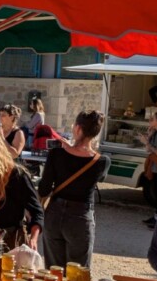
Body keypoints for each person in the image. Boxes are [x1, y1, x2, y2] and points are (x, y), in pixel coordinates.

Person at [38, 110, 109, 268]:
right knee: (77, 275)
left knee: (53, 272)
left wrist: (67, 149)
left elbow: (43, 189)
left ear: (77, 128)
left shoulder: (56, 154)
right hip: (80, 216)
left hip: (55, 213)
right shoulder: (102, 161)